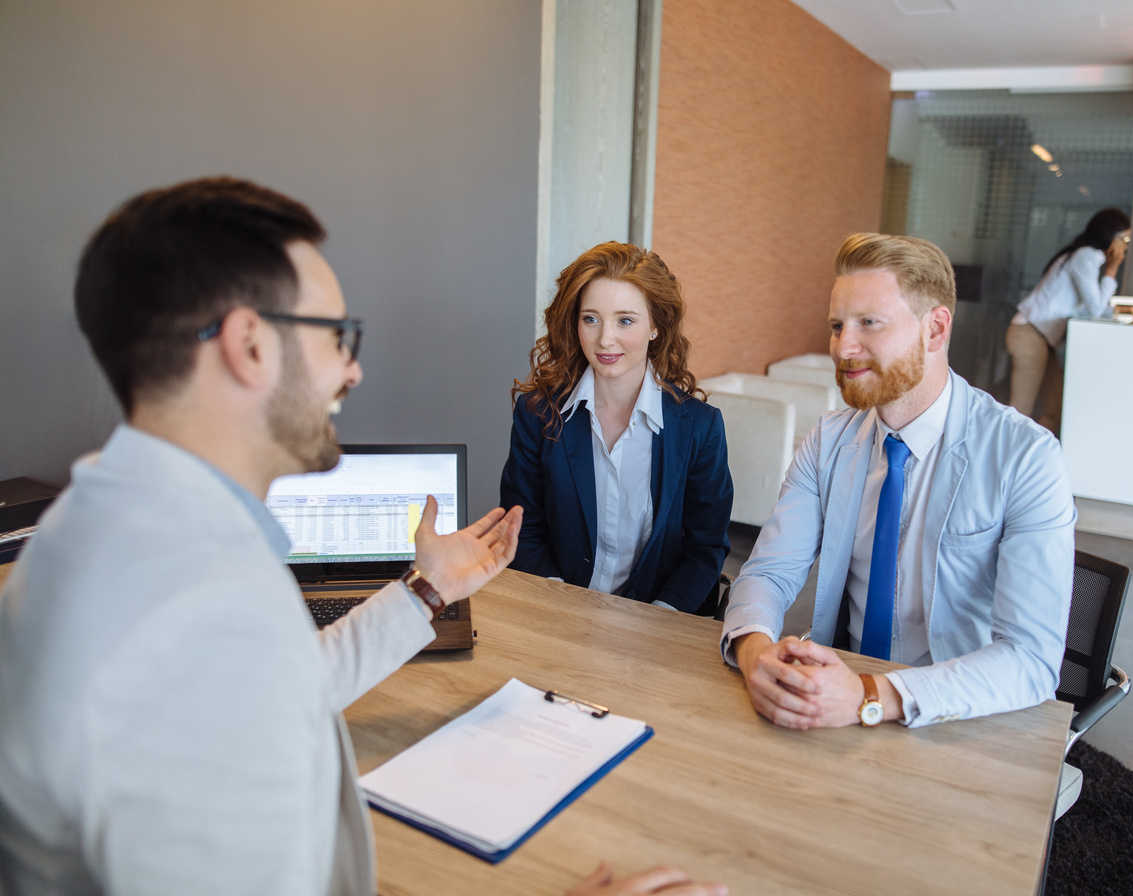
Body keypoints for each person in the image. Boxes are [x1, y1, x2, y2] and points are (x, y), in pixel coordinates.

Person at [0, 178, 724, 896]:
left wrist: (424, 592)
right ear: (249, 346)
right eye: (338, 336)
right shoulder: (186, 603)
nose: (354, 368)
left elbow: (276, 690)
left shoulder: (111, 526)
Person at [721, 232, 1074, 731]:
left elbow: (1031, 659)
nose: (844, 347)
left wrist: (869, 694)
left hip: (956, 714)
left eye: (869, 323)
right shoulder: (828, 440)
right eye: (838, 325)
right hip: (839, 697)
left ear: (935, 329)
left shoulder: (1025, 457)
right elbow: (769, 574)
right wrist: (756, 653)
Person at [500, 242, 732, 614]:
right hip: (557, 614)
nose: (605, 339)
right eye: (590, 319)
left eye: (625, 320)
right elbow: (523, 527)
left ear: (656, 326)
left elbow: (706, 549)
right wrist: (562, 607)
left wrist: (660, 617)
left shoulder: (699, 428)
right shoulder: (538, 414)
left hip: (660, 624)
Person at [1005, 208, 1133, 435]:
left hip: (1040, 337)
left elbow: (1092, 305)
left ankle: (1031, 461)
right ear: (1110, 235)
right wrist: (1113, 267)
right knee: (1020, 410)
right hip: (1029, 333)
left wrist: (1128, 309)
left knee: (1054, 410)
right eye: (1124, 238)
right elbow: (1096, 309)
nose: (1126, 246)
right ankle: (1001, 464)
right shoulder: (1086, 256)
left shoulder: (1084, 256)